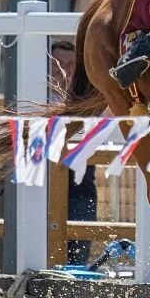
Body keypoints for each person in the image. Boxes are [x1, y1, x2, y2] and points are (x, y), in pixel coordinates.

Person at [51, 41, 97, 265]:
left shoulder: (88, 102)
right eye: (58, 63)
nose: (64, 70)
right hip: (44, 188)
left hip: (82, 188)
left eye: (70, 64)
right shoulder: (38, 98)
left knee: (78, 258)